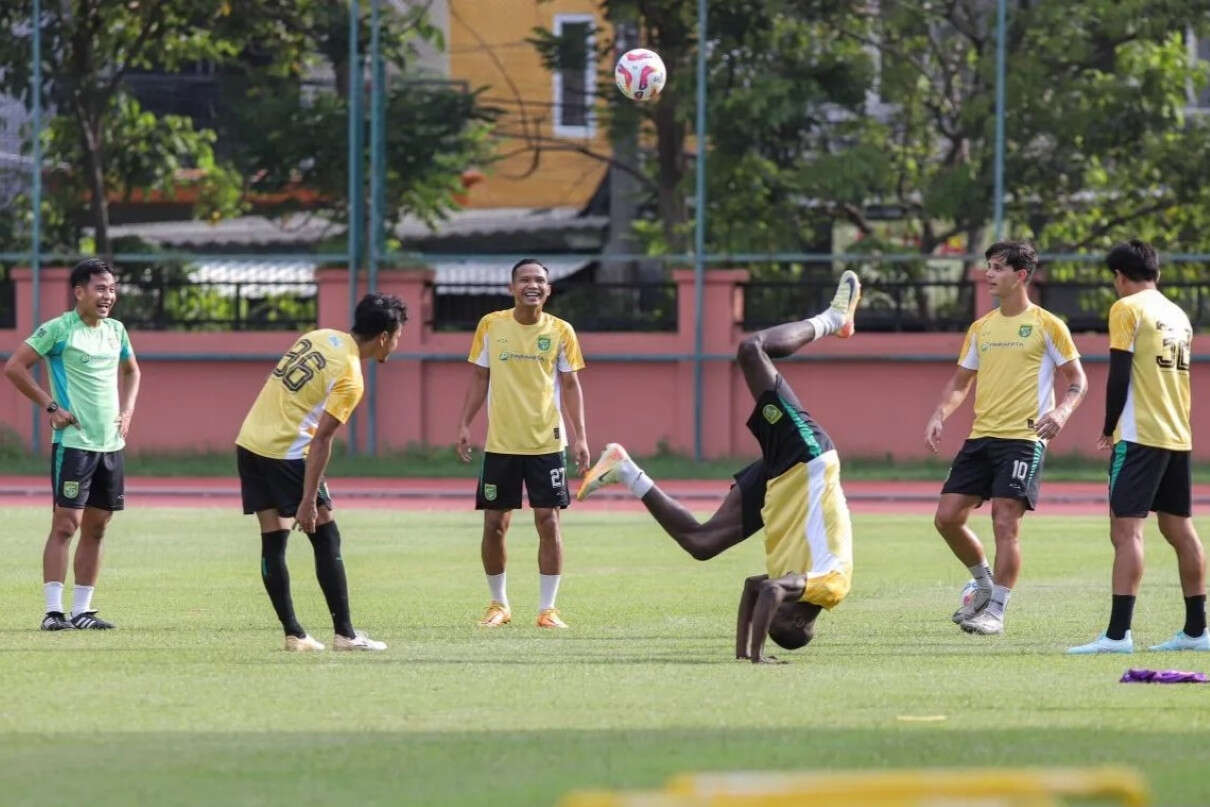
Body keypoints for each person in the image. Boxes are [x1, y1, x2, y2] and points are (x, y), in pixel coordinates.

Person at [578, 271, 861, 664]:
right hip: (809, 460)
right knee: (751, 349)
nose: (773, 601)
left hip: (781, 485)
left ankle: (625, 469)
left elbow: (753, 587)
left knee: (702, 544)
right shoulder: (830, 587)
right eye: (777, 614)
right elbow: (769, 594)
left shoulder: (794, 585)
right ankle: (834, 318)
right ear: (797, 620)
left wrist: (744, 654)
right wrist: (761, 656)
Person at [925, 240, 1087, 636]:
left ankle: (995, 612)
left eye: (997, 267)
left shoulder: (1049, 325)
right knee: (946, 518)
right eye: (988, 266)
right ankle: (982, 587)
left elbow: (1078, 381)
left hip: (1024, 439)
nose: (989, 274)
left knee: (1004, 522)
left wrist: (1061, 412)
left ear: (1021, 276)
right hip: (981, 437)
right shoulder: (981, 328)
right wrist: (939, 414)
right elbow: (961, 382)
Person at [235, 292, 405, 652]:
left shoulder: (317, 336)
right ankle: (345, 634)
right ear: (384, 337)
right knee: (327, 536)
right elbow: (322, 439)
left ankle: (294, 634)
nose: (398, 342)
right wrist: (309, 499)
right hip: (288, 452)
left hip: (250, 443)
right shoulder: (352, 375)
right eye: (399, 334)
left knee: (273, 539)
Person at [1068, 240, 1207, 654]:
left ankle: (1117, 635)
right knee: (1179, 528)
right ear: (1156, 274)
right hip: (1176, 433)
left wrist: (1109, 426)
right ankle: (1198, 631)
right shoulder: (1178, 314)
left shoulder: (1127, 308)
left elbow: (1119, 373)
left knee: (1126, 530)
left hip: (1140, 433)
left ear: (1120, 277)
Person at [4, 258, 141, 631]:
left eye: (112, 289)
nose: (108, 296)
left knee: (97, 527)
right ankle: (53, 612)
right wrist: (51, 406)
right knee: (66, 525)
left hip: (110, 445)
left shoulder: (116, 330)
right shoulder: (59, 330)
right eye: (100, 288)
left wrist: (127, 411)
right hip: (74, 443)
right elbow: (15, 366)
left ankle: (82, 611)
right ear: (78, 292)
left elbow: (132, 370)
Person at [456, 258, 590, 629]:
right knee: (495, 524)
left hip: (546, 443)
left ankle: (548, 610)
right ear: (511, 287)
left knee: (548, 521)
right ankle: (498, 604)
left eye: (540, 280)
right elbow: (480, 378)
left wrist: (581, 438)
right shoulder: (491, 325)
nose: (533, 285)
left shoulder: (561, 331)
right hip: (500, 443)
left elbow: (570, 385)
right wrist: (465, 425)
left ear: (548, 289)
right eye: (525, 279)